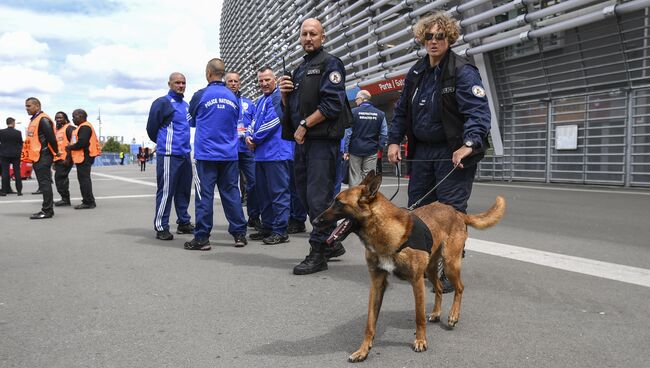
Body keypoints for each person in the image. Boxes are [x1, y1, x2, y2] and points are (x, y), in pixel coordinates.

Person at [387, 12, 492, 293]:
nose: (434, 41)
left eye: (440, 36)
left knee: (450, 214)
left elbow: (477, 114)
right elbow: (401, 112)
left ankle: (449, 269)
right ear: (423, 39)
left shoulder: (462, 70)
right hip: (422, 153)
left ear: (449, 38)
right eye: (429, 36)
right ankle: (424, 265)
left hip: (451, 153)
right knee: (419, 212)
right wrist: (394, 141)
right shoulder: (417, 72)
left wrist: (467, 145)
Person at [279, 18, 352, 275]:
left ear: (323, 36)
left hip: (322, 143)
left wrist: (305, 125)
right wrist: (285, 96)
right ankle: (330, 243)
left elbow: (332, 104)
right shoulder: (299, 69)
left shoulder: (331, 64)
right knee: (304, 196)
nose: (308, 38)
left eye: (313, 33)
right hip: (303, 145)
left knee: (318, 199)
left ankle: (318, 252)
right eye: (304, 34)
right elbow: (292, 111)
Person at [187, 58, 248, 250]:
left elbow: (191, 120)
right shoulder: (233, 97)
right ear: (223, 74)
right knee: (231, 193)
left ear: (208, 73)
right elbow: (236, 120)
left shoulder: (201, 95)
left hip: (206, 154)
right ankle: (239, 234)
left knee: (204, 195)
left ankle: (202, 238)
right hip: (229, 154)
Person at [246, 67, 293, 244]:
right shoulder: (259, 101)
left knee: (279, 193)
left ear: (276, 79)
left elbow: (274, 121)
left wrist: (254, 139)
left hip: (277, 154)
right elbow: (252, 121)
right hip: (261, 155)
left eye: (267, 80)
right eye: (261, 81)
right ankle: (267, 227)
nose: (264, 83)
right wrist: (249, 136)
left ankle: (281, 230)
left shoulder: (278, 97)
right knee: (263, 193)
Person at [146, 72, 194, 241]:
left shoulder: (186, 105)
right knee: (166, 191)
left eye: (183, 83)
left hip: (185, 154)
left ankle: (183, 222)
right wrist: (163, 143)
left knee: (183, 191)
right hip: (168, 154)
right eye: (177, 83)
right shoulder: (162, 103)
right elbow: (152, 128)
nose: (181, 85)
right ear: (169, 84)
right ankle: (161, 226)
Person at [225, 71, 261, 230]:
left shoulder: (249, 104)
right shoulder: (222, 103)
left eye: (236, 81)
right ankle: (237, 221)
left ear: (240, 84)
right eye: (230, 81)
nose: (233, 84)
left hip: (247, 150)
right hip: (229, 150)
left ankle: (254, 216)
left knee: (254, 183)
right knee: (231, 186)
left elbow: (256, 122)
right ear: (225, 83)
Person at [21, 97, 60, 219]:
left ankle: (47, 211)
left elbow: (51, 138)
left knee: (45, 183)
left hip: (43, 156)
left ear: (37, 106)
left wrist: (56, 152)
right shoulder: (35, 120)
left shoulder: (43, 119)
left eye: (29, 106)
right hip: (38, 156)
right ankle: (47, 209)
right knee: (44, 183)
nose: (26, 108)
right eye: (26, 106)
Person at [344, 90, 387, 186]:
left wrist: (346, 149)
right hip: (371, 150)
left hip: (354, 149)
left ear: (362, 99)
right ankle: (366, 198)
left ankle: (354, 199)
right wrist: (379, 147)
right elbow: (384, 133)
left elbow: (348, 133)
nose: (355, 101)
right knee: (368, 177)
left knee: (355, 176)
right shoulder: (380, 114)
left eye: (356, 99)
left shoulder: (353, 112)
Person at [66, 109, 101, 209]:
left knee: (84, 180)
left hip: (84, 157)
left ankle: (88, 202)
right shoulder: (80, 127)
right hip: (81, 157)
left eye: (74, 116)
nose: (72, 119)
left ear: (81, 116)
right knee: (83, 179)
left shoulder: (85, 127)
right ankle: (88, 200)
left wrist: (70, 147)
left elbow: (83, 143)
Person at [52, 112, 76, 206]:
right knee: (60, 178)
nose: (58, 119)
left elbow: (72, 144)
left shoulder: (69, 128)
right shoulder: (58, 130)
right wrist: (54, 161)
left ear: (65, 118)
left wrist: (68, 159)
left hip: (66, 159)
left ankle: (65, 199)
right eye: (56, 118)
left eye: (60, 118)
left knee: (60, 178)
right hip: (59, 159)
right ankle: (65, 198)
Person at [0, 117, 23, 196]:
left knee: (5, 172)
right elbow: (21, 143)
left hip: (4, 154)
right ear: (13, 123)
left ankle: (4, 191)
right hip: (16, 154)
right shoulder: (18, 132)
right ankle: (19, 191)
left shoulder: (1, 132)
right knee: (17, 172)